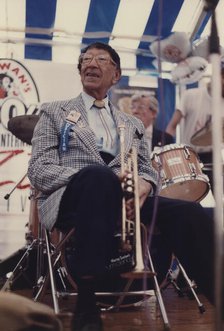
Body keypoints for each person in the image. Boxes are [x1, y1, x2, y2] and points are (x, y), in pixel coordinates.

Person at [28, 42, 214, 331]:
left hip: (124, 200)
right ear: (80, 71)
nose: (91, 63)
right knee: (97, 177)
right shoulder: (54, 112)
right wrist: (86, 177)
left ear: (116, 76)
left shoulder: (132, 123)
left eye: (101, 59)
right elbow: (39, 169)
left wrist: (145, 183)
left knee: (189, 213)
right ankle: (86, 307)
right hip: (73, 198)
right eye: (86, 59)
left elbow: (146, 168)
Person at [166, 68, 224, 192]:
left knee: (220, 195)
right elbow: (172, 126)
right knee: (187, 196)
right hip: (188, 154)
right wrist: (167, 152)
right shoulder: (191, 95)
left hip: (213, 155)